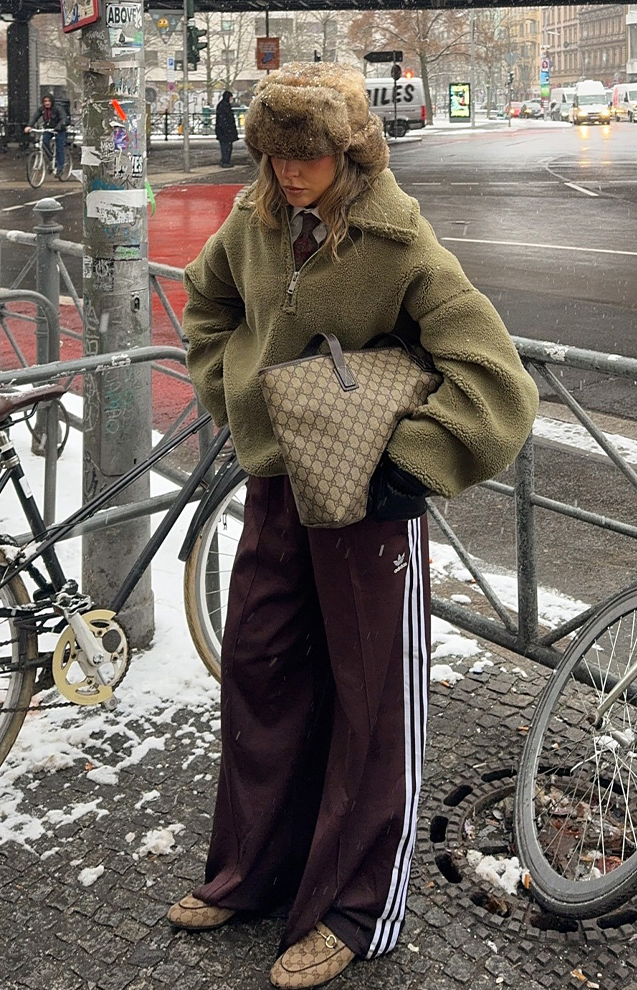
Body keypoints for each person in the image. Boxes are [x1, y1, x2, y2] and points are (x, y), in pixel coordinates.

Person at [169, 62, 538, 989]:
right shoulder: (254, 220)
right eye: (278, 155)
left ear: (349, 150)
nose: (292, 173)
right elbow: (205, 300)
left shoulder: (395, 238)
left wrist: (411, 465)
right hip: (276, 490)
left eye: (311, 156)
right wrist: (230, 388)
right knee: (261, 671)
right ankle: (253, 873)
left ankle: (354, 908)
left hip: (369, 504)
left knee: (372, 700)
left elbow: (497, 379)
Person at [24, 93, 68, 174]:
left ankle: (60, 168)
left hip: (59, 130)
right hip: (48, 129)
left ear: (52, 101)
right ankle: (51, 159)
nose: (47, 103)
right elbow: (35, 117)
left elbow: (63, 118)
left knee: (59, 148)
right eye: (45, 101)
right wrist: (29, 126)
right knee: (44, 142)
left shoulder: (58, 108)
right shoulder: (42, 109)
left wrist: (58, 127)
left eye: (48, 101)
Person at [215, 89, 239, 167]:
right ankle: (225, 161)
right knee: (226, 147)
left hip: (223, 130)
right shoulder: (225, 106)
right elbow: (225, 119)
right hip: (225, 130)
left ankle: (225, 161)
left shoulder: (222, 105)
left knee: (225, 146)